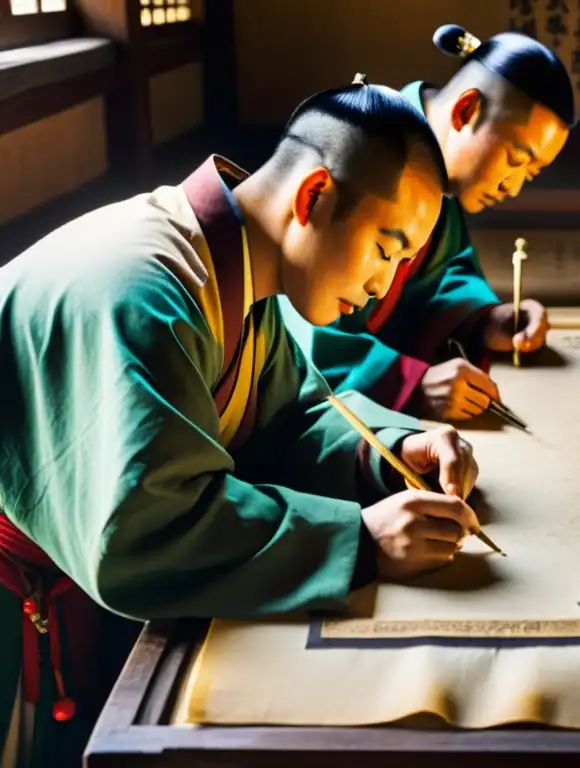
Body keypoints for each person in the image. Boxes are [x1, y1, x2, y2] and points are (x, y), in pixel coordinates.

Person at [0, 79, 482, 768]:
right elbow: (147, 526)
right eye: (385, 246)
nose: (383, 285)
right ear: (314, 197)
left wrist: (395, 452)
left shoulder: (234, 267)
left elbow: (290, 418)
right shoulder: (142, 291)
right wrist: (360, 540)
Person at [277, 24, 577, 422]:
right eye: (516, 160)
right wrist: (409, 383)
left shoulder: (438, 178)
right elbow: (298, 317)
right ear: (466, 110)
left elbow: (443, 274)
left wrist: (484, 320)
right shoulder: (363, 147)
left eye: (531, 173)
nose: (514, 187)